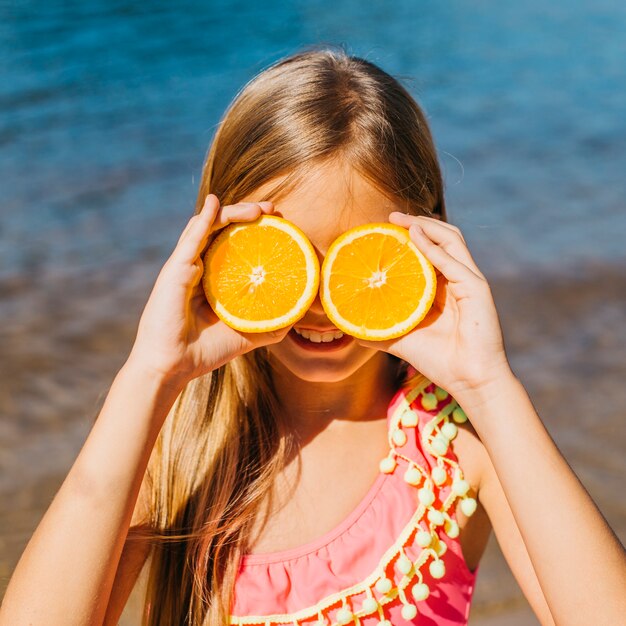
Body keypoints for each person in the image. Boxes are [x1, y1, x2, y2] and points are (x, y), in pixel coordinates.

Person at [1, 47, 625, 626]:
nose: (319, 306)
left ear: (421, 250)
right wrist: (149, 375)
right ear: (221, 248)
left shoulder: (459, 444)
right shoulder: (175, 442)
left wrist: (490, 386)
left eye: (358, 265)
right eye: (290, 258)